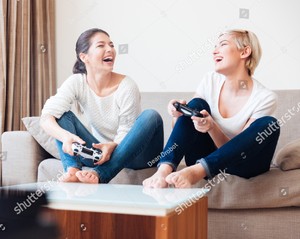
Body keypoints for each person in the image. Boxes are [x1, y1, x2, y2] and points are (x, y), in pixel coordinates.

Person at [143, 29, 280, 188]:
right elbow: (184, 134)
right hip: (201, 156)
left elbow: (240, 152)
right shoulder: (210, 80)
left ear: (245, 52)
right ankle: (163, 170)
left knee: (270, 124)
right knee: (195, 105)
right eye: (215, 46)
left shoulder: (265, 97)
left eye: (223, 44)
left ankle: (196, 171)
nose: (215, 51)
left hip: (242, 164)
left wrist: (212, 127)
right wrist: (178, 115)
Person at [40, 28, 163, 184]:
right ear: (84, 57)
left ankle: (101, 175)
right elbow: (46, 116)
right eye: (101, 46)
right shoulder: (76, 82)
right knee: (62, 116)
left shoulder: (127, 86)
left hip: (135, 154)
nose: (109, 49)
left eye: (111, 45)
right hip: (100, 154)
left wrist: (113, 146)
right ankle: (72, 170)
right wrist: (65, 137)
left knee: (151, 116)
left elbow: (126, 130)